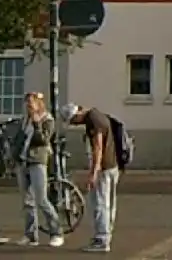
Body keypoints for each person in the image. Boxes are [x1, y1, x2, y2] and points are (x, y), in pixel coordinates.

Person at [61, 103, 120, 254]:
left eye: (74, 121)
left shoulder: (93, 121)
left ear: (77, 115)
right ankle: (105, 236)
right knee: (109, 204)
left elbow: (98, 148)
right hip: (113, 165)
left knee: (100, 204)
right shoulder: (99, 115)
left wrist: (93, 173)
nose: (75, 124)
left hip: (104, 168)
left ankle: (101, 239)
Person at [16, 92, 63, 246]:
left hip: (37, 161)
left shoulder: (47, 120)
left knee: (42, 199)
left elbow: (43, 140)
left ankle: (57, 232)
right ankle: (30, 235)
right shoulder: (25, 120)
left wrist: (37, 125)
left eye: (31, 103)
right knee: (27, 201)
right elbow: (20, 138)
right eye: (27, 103)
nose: (29, 106)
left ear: (39, 103)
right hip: (23, 161)